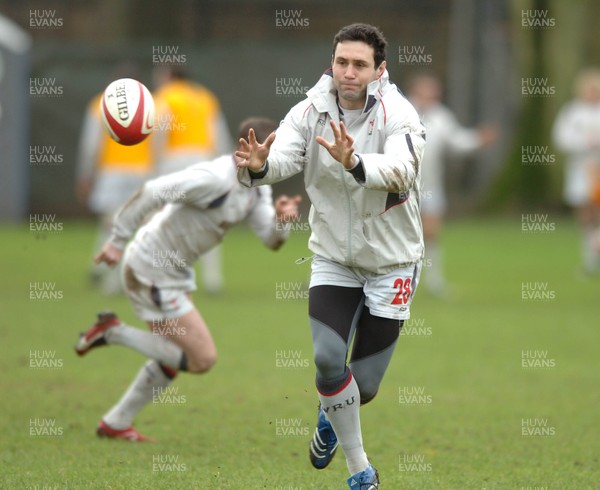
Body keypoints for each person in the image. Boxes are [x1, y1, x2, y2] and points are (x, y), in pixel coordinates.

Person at [236, 23, 425, 490]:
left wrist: (356, 161)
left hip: (393, 261)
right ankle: (360, 470)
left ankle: (329, 417)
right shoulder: (311, 109)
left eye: (360, 64)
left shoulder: (399, 113)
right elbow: (285, 158)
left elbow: (403, 170)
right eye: (342, 61)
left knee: (366, 385)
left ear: (379, 70)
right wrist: (261, 166)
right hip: (334, 258)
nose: (348, 72)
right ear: (332, 62)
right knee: (326, 358)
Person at [75, 118, 301, 441]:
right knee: (202, 358)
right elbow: (153, 191)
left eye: (275, 156)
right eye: (267, 153)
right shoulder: (213, 178)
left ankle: (116, 422)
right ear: (243, 149)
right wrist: (116, 239)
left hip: (175, 273)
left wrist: (282, 221)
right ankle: (113, 332)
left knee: (172, 352)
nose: (273, 163)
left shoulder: (258, 188)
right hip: (150, 268)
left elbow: (271, 240)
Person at [407, 73, 497, 295]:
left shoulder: (441, 116)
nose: (432, 96)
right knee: (404, 234)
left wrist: (478, 139)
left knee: (431, 232)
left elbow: (457, 140)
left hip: (431, 186)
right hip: (400, 185)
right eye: (427, 91)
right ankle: (401, 282)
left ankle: (434, 281)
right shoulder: (402, 111)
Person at [153, 66, 234, 294]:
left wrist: (155, 166)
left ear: (169, 76)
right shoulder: (205, 97)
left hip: (174, 162)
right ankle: (213, 279)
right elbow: (218, 134)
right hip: (204, 161)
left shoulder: (165, 96)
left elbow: (159, 134)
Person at [76, 76, 154, 295]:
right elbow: (157, 139)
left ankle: (111, 280)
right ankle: (137, 278)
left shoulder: (99, 103)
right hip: (142, 170)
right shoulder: (150, 102)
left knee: (112, 224)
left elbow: (91, 145)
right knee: (139, 226)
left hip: (112, 171)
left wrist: (86, 175)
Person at [553, 67, 600, 276]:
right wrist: (583, 143)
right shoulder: (572, 111)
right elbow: (561, 139)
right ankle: (590, 259)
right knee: (585, 212)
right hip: (581, 168)